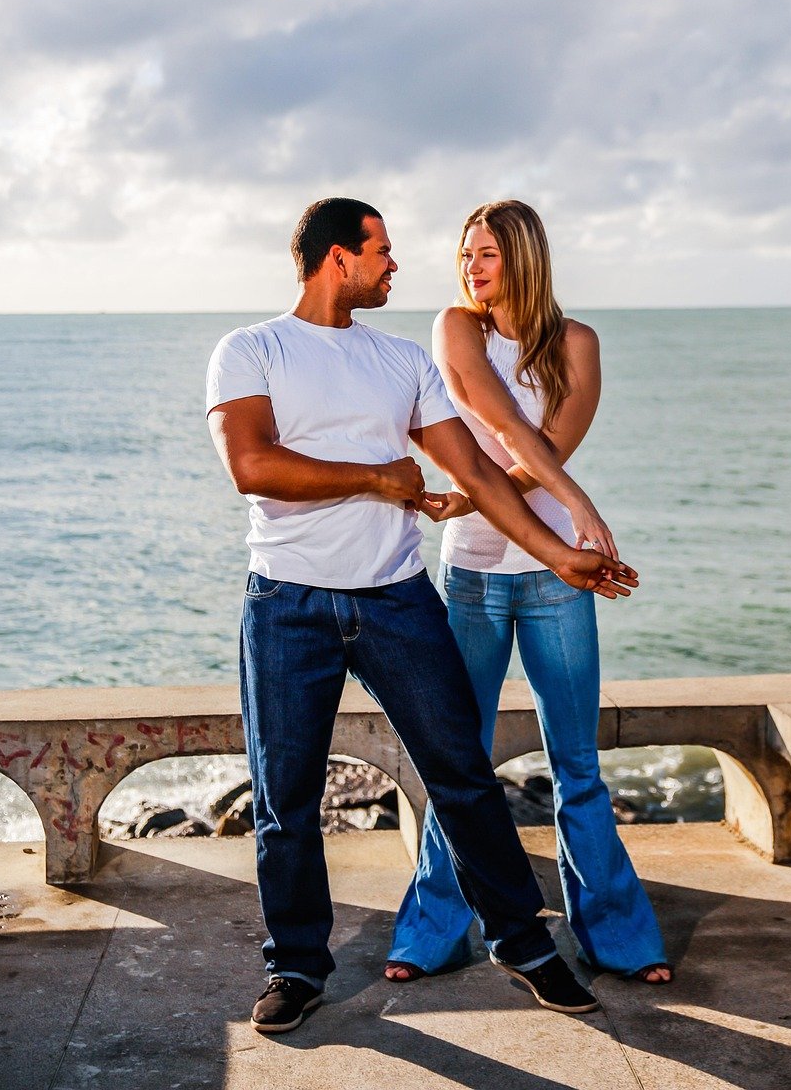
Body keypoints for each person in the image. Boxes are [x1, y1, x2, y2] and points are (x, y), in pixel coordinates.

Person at [206, 197, 639, 1036]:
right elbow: (252, 465)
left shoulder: (399, 359)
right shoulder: (250, 350)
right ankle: (295, 967)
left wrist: (558, 554)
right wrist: (376, 478)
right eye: (381, 252)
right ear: (337, 259)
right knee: (284, 799)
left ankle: (522, 944)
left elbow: (475, 469)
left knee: (463, 777)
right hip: (286, 602)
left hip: (398, 598)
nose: (396, 265)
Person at [385, 199, 670, 987]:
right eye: (465, 254)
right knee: (460, 760)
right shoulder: (457, 328)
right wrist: (572, 505)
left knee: (576, 762)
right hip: (472, 574)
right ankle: (435, 927)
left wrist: (485, 496)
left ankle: (615, 933)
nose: (471, 268)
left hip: (555, 579)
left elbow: (542, 448)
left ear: (524, 258)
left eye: (487, 255)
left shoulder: (578, 343)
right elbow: (498, 419)